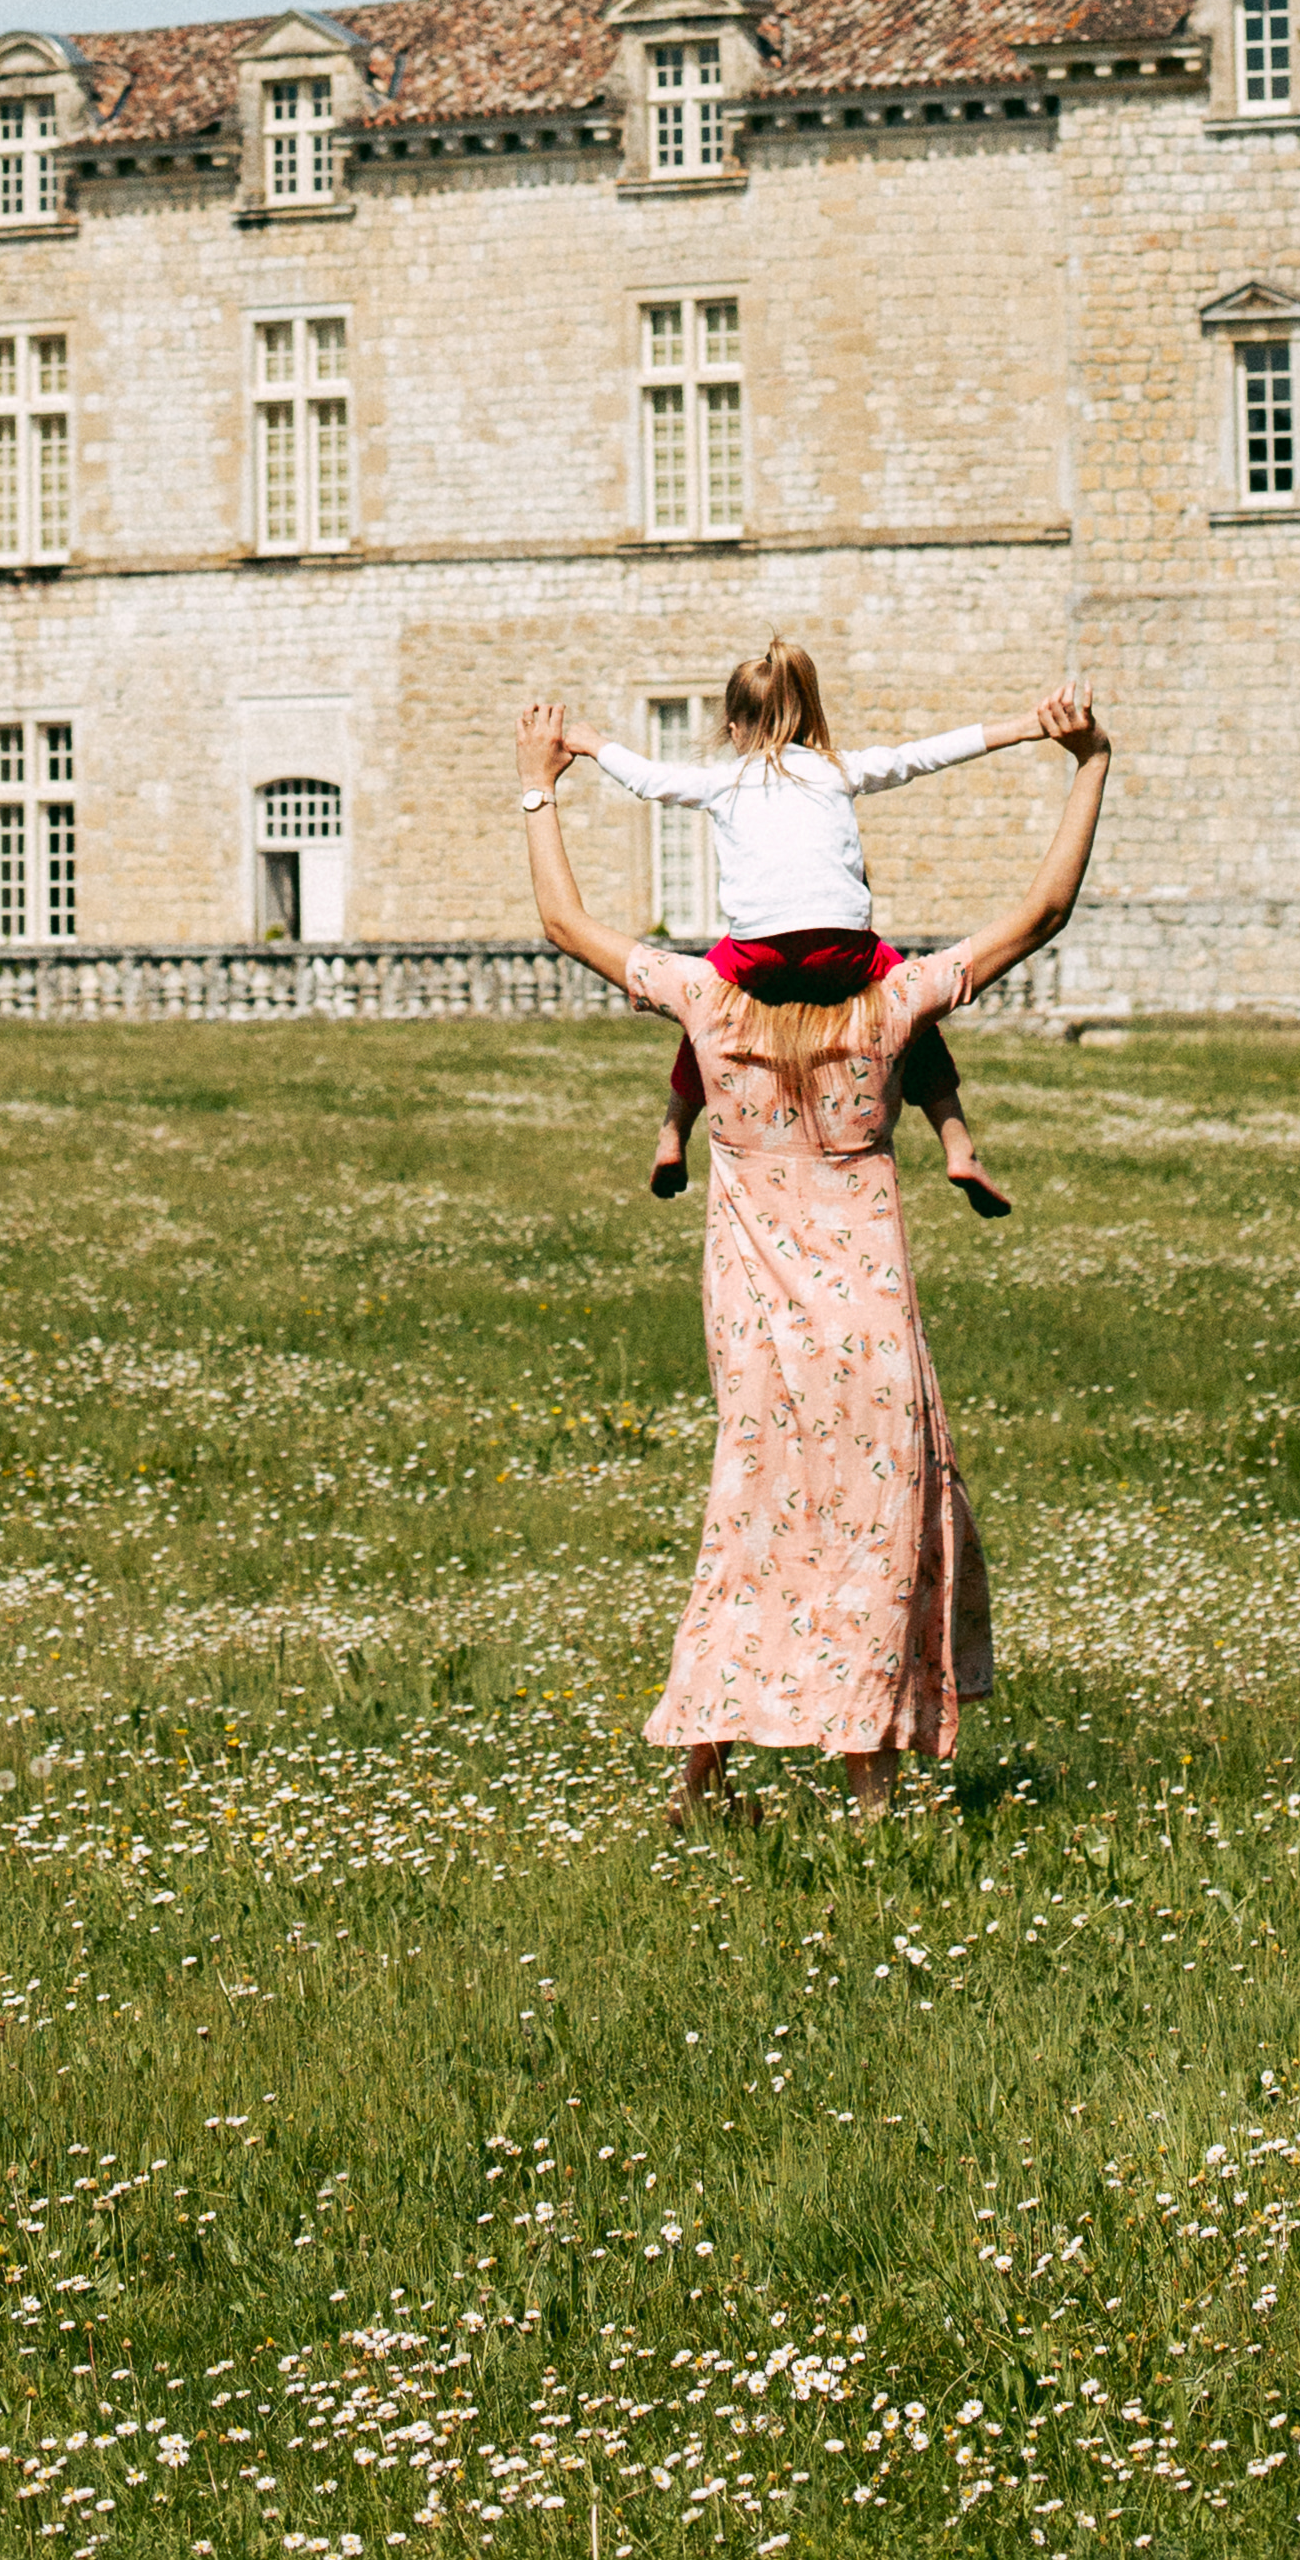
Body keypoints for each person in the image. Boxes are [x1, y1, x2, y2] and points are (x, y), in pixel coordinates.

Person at [515, 674, 1111, 1816]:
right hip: (872, 1329)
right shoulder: (887, 1009)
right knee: (872, 1520)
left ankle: (705, 1768)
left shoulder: (709, 1004)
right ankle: (869, 1788)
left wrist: (541, 792)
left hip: (756, 1326)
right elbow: (1039, 915)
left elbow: (564, 926)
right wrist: (1087, 765)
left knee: (756, 1517)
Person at [553, 647, 1076, 1215]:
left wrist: (592, 742)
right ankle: (959, 1145)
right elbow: (927, 755)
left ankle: (672, 1133)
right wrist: (1025, 727)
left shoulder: (723, 781)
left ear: (733, 729)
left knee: (701, 1014)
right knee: (917, 1019)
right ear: (806, 718)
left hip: (755, 954)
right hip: (844, 949)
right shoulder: (837, 769)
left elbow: (647, 780)